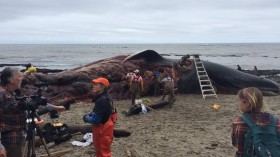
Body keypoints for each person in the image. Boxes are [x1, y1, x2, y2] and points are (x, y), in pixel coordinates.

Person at [0, 67, 65, 157]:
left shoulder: (12, 92)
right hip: (10, 139)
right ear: (11, 80)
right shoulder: (3, 95)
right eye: (19, 77)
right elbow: (25, 105)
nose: (21, 79)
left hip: (17, 137)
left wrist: (54, 107)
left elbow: (29, 102)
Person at [231, 87, 280, 157]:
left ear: (246, 103)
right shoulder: (276, 120)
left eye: (240, 101)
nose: (239, 104)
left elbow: (238, 147)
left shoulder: (239, 122)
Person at [83, 77, 117, 157]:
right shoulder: (108, 97)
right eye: (93, 84)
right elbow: (105, 112)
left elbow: (95, 120)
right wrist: (92, 114)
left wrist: (86, 117)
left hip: (101, 130)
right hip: (108, 128)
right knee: (105, 151)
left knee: (102, 153)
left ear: (103, 87)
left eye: (96, 84)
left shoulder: (101, 100)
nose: (93, 86)